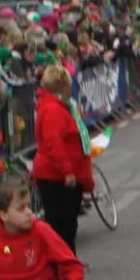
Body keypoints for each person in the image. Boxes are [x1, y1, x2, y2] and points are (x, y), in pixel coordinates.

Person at [32, 64, 93, 254]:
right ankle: (62, 264)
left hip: (63, 174)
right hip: (56, 176)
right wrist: (67, 171)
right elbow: (54, 144)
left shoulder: (61, 106)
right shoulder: (52, 110)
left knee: (68, 223)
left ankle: (68, 261)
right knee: (61, 224)